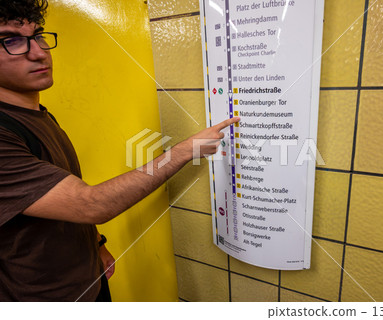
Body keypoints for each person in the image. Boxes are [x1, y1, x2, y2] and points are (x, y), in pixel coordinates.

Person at [0, 0, 239, 302]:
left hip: (90, 281)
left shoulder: (37, 115)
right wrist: (183, 151)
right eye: (11, 41)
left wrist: (97, 243)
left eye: (38, 36)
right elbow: (91, 204)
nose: (38, 52)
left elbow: (59, 198)